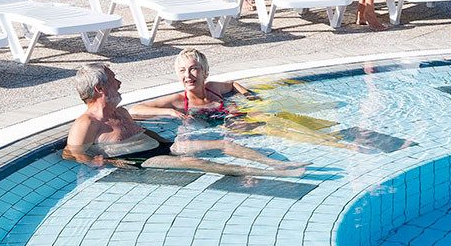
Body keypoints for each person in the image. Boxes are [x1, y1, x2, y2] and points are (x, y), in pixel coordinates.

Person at [62, 60, 293, 176]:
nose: (119, 83)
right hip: (140, 159)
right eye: (114, 79)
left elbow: (141, 130)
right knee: (197, 162)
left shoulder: (120, 112)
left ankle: (277, 163)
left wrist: (167, 140)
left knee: (223, 143)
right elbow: (71, 153)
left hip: (164, 146)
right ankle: (270, 173)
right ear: (100, 88)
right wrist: (102, 162)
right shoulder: (86, 124)